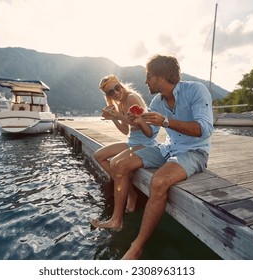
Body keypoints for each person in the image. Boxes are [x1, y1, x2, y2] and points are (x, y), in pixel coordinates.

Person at [111, 54, 214, 259]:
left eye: (148, 76)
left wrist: (165, 121)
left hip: (194, 152)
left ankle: (137, 246)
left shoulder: (195, 90)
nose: (146, 81)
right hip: (167, 148)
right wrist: (138, 120)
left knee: (158, 181)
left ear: (161, 76)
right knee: (120, 165)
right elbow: (150, 133)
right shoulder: (157, 101)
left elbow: (204, 129)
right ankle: (117, 219)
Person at [90, 75, 158, 229]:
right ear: (107, 96)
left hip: (145, 143)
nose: (115, 92)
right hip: (133, 141)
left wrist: (116, 115)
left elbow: (138, 122)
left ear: (121, 85)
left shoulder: (132, 98)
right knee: (99, 155)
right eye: (110, 92)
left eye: (116, 88)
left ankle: (116, 219)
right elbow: (125, 129)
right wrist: (113, 118)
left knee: (115, 163)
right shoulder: (120, 103)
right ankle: (131, 193)